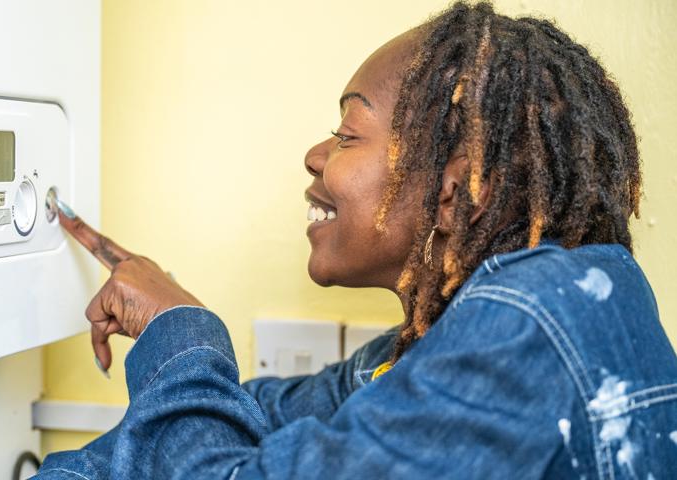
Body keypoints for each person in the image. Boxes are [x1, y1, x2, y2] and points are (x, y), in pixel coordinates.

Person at [34, 2, 677, 478]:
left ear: (459, 186)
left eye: (347, 132)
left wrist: (180, 330)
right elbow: (262, 418)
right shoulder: (457, 338)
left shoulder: (527, 329)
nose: (316, 155)